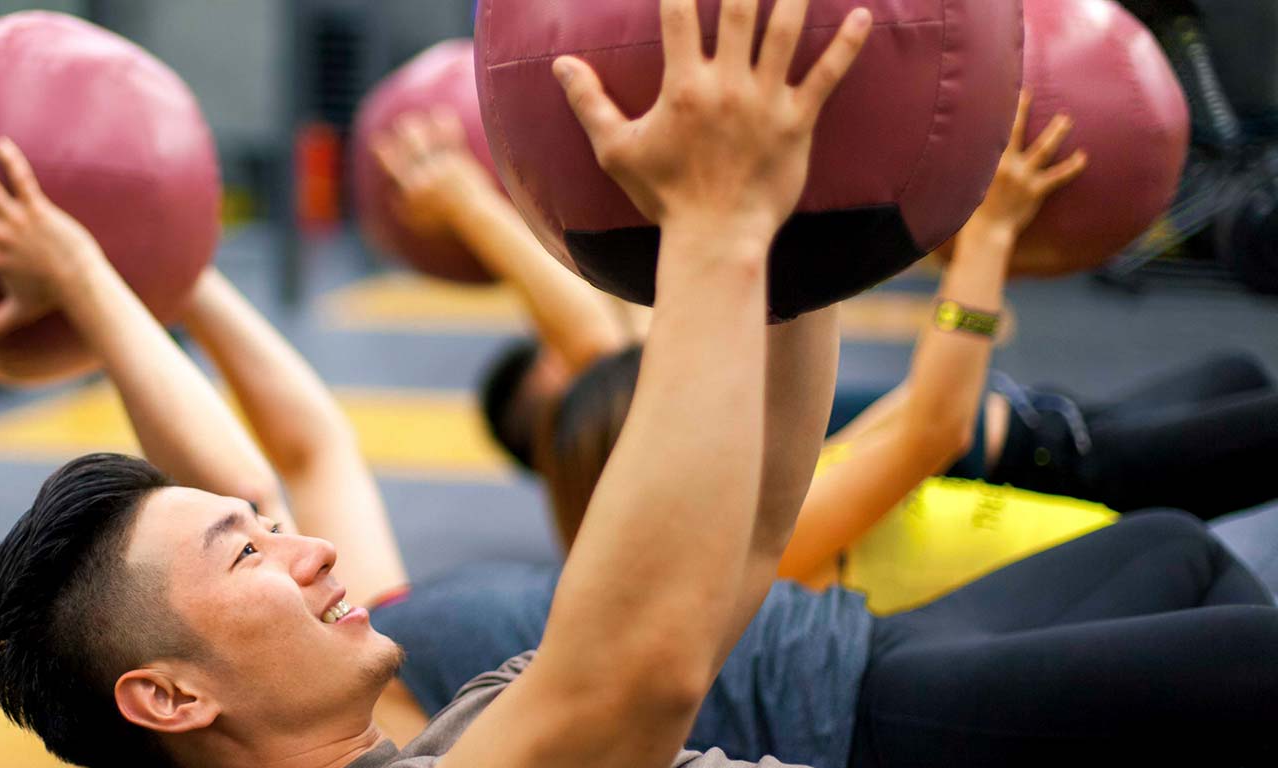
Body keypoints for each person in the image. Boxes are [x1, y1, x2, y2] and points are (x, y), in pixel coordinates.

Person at [0, 1, 879, 768]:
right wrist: (722, 215)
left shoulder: (469, 721)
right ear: (171, 697)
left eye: (266, 528)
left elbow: (749, 528)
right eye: (247, 548)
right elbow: (640, 676)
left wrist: (806, 233)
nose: (313, 544)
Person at [365, 90, 1278, 768]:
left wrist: (802, 199)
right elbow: (927, 427)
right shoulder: (650, 586)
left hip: (910, 599)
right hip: (886, 680)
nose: (298, 552)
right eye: (245, 545)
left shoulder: (435, 629)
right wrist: (982, 238)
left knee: (1183, 542)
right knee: (1235, 653)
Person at [385, 106, 1278, 522]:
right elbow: (598, 340)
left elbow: (606, 335)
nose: (572, 346)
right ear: (550, 417)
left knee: (1241, 381)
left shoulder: (661, 426)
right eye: (552, 360)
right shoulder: (642, 462)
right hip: (1052, 462)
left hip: (1030, 410)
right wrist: (467, 200)